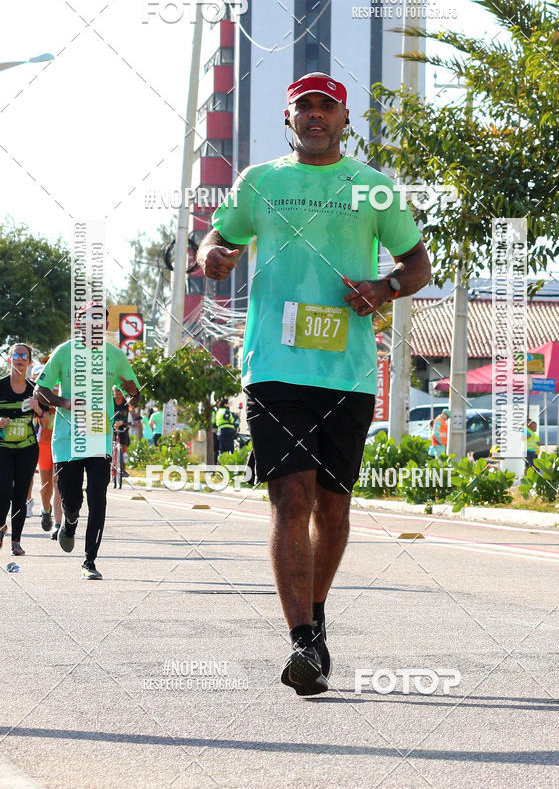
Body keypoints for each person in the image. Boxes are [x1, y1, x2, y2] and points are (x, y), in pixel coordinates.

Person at [198, 72, 431, 695]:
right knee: (289, 498)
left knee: (333, 505)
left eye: (327, 107)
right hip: (273, 366)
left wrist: (385, 288)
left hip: (348, 370)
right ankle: (301, 640)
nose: (316, 116)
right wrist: (210, 255)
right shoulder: (261, 183)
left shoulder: (373, 190)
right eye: (304, 107)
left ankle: (316, 614)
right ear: (289, 119)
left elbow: (416, 263)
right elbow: (219, 237)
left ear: (344, 119)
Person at [34, 303, 141, 580]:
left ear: (105, 325)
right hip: (67, 438)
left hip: (99, 436)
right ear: (79, 323)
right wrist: (63, 401)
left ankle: (89, 561)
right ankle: (69, 522)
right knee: (71, 499)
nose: (94, 324)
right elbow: (40, 390)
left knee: (98, 496)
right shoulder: (64, 352)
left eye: (99, 319)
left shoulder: (115, 356)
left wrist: (130, 392)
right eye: (87, 319)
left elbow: (135, 393)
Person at [0, 344, 47, 555]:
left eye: (24, 356)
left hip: (27, 449)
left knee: (20, 495)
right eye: (16, 355)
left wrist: (37, 408)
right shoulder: (0, 386)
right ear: (10, 359)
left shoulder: (34, 389)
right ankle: (1, 528)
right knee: (3, 491)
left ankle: (16, 542)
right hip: (2, 449)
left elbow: (46, 423)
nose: (19, 359)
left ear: (29, 362)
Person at [31, 363, 61, 537]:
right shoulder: (42, 392)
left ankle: (58, 524)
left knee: (58, 483)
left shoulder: (66, 388)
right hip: (43, 443)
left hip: (62, 443)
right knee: (46, 485)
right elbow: (43, 422)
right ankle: (45, 510)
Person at [112, 386, 131, 478]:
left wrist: (135, 420)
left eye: (120, 393)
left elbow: (133, 411)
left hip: (124, 426)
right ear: (113, 393)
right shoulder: (110, 402)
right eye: (117, 393)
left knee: (124, 448)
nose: (119, 395)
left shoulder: (126, 403)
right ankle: (110, 465)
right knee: (110, 445)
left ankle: (123, 469)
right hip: (111, 426)